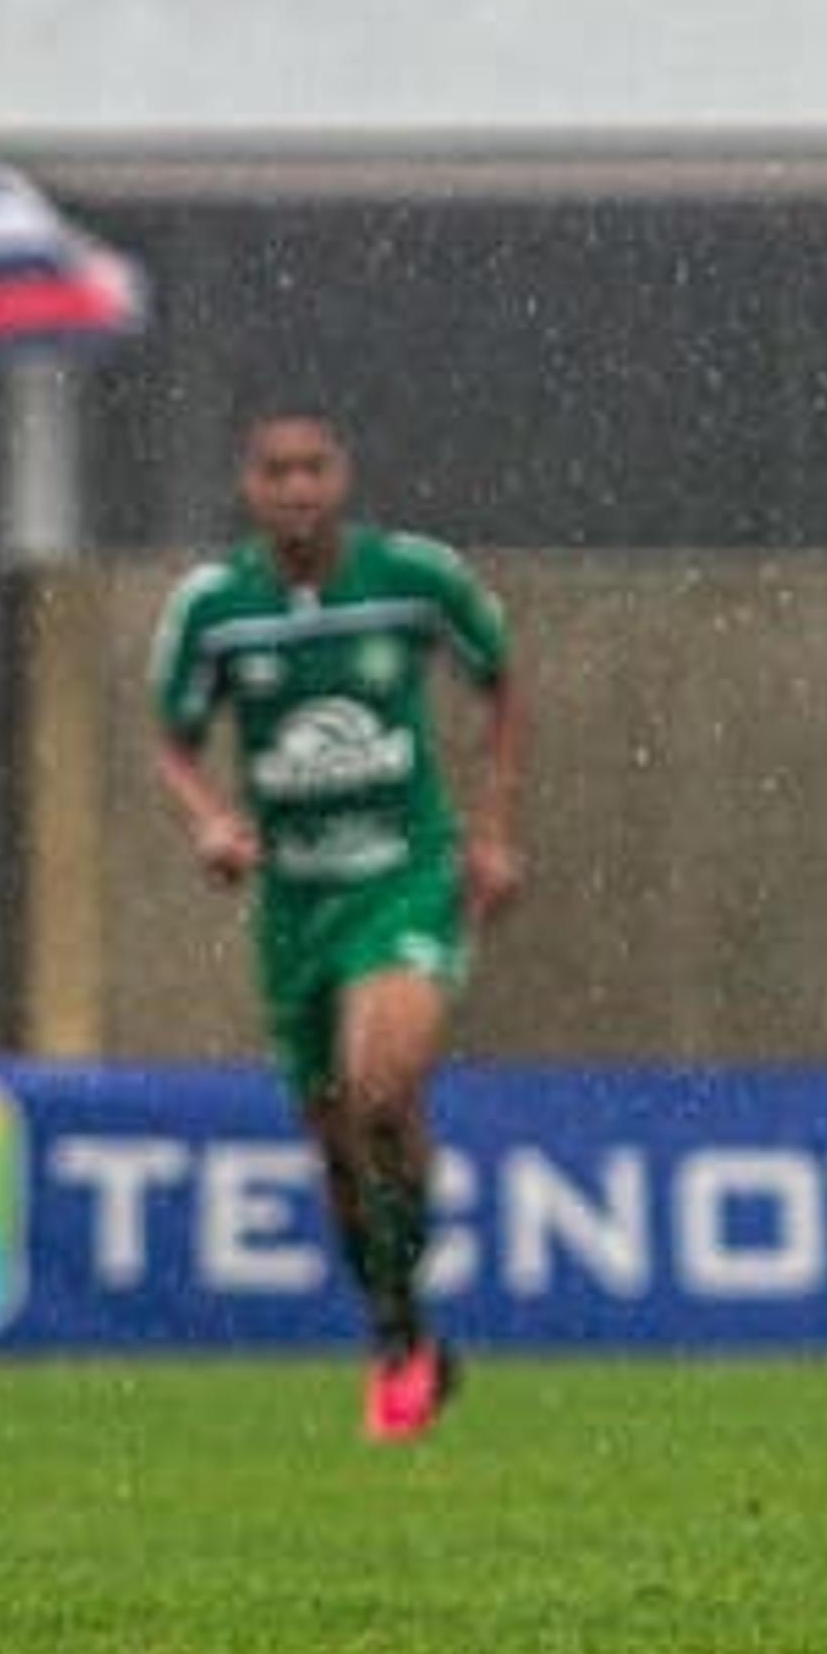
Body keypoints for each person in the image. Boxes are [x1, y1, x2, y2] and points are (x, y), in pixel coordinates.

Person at [146, 408, 524, 1442]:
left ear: (343, 476)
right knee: (333, 1139)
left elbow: (499, 678)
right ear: (250, 486)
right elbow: (175, 740)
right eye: (277, 470)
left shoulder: (413, 578)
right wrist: (212, 819)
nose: (298, 487)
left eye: (315, 467)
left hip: (403, 879)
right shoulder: (217, 606)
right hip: (295, 903)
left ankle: (405, 1294)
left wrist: (492, 830)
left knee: (382, 1083)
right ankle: (402, 1329)